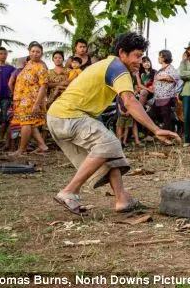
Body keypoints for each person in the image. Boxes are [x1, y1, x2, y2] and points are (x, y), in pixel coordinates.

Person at [48, 32, 180, 215]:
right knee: (109, 143)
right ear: (122, 53)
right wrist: (156, 129)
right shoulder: (118, 68)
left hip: (61, 116)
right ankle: (69, 191)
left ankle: (121, 199)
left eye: (141, 56)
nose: (139, 61)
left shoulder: (108, 64)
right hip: (68, 116)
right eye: (136, 56)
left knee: (110, 154)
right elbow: (129, 101)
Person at [9, 42, 49, 156]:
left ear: (41, 54)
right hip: (22, 100)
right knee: (30, 123)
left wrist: (37, 103)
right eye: (33, 51)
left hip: (32, 100)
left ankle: (21, 150)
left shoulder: (41, 67)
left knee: (26, 123)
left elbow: (44, 86)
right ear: (29, 52)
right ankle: (42, 145)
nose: (35, 54)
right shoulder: (28, 64)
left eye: (38, 52)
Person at [151, 50, 180, 133]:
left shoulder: (170, 68)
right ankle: (156, 133)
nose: (158, 58)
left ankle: (168, 135)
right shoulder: (159, 70)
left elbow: (175, 78)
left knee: (166, 116)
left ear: (164, 57)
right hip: (157, 97)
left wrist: (164, 77)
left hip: (167, 97)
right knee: (152, 114)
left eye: (160, 56)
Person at [0, 47, 15, 142]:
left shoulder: (11, 68)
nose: (3, 55)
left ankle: (1, 138)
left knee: (4, 117)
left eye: (5, 54)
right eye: (1, 53)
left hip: (6, 96)